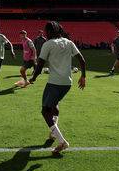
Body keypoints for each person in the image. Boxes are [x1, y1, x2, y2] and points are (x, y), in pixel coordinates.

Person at [29, 21, 86, 155]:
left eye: (46, 31)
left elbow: (40, 65)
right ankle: (54, 133)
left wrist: (33, 78)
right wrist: (83, 76)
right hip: (67, 83)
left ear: (49, 32)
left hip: (55, 83)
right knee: (54, 105)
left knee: (45, 111)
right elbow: (82, 60)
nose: (45, 33)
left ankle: (62, 142)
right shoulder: (69, 42)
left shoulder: (48, 44)